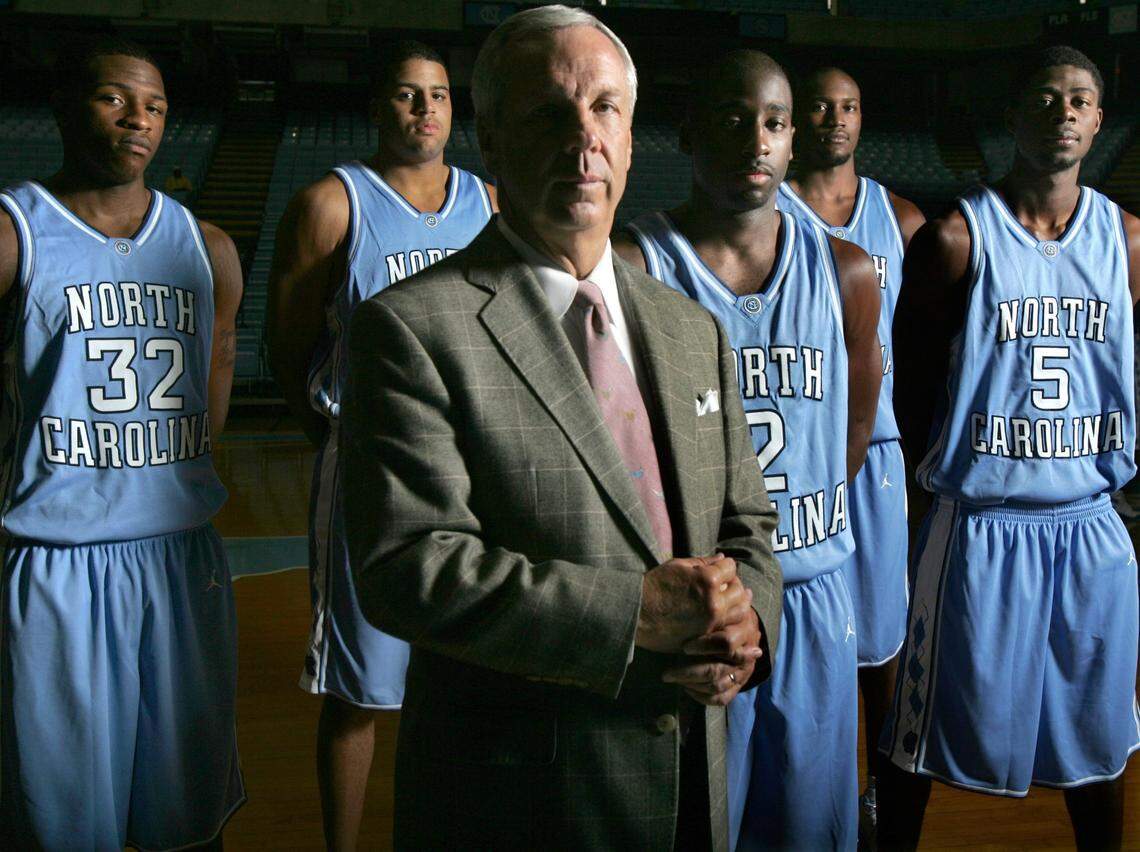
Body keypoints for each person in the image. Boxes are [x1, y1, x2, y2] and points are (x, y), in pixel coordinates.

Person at [339, 7, 783, 850]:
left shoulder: (693, 329)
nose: (585, 135)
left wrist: (749, 625)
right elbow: (408, 565)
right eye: (550, 112)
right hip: (522, 803)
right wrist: (634, 615)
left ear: (630, 133)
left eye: (606, 107)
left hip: (697, 784)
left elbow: (750, 529)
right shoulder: (411, 328)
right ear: (493, 142)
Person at [617, 50, 882, 851]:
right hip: (702, 608)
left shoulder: (847, 271)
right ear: (689, 135)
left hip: (811, 594)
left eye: (772, 124)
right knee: (699, 829)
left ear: (793, 140)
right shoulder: (634, 267)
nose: (755, 142)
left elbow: (854, 434)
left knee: (810, 829)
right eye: (732, 121)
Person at [878, 45, 1140, 852]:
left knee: (1100, 731)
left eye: (1081, 100)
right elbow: (912, 388)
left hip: (1091, 520)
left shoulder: (1128, 240)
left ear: (1099, 121)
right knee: (915, 732)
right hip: (981, 522)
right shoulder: (958, 237)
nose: (1063, 112)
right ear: (1014, 114)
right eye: (1046, 97)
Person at [0, 38, 244, 850]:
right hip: (57, 556)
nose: (138, 119)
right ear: (69, 104)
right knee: (63, 824)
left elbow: (216, 356)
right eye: (115, 98)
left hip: (181, 557)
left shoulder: (205, 247)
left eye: (156, 106)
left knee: (188, 817)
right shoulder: (16, 232)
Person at [265, 40, 495, 849]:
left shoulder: (488, 204)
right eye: (405, 94)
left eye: (437, 95)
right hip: (370, 466)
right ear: (376, 109)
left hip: (472, 473)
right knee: (361, 692)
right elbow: (287, 345)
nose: (424, 110)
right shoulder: (334, 204)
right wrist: (335, 434)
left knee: (470, 682)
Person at [775, 66, 924, 832]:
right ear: (795, 120)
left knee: (882, 639)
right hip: (797, 455)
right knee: (801, 637)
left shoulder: (900, 220)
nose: (835, 118)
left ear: (864, 120)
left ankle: (882, 792)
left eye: (850, 106)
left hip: (882, 453)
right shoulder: (766, 212)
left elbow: (932, 348)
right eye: (820, 106)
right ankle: (806, 794)